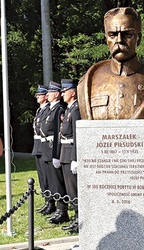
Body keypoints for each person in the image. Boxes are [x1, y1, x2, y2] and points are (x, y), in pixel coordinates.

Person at [77, 7, 144, 120]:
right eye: (113, 35)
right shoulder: (88, 82)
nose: (119, 40)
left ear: (138, 38)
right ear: (106, 38)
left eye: (127, 34)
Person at [40, 81, 69, 224]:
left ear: (56, 94)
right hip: (47, 148)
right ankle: (56, 208)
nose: (47, 95)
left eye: (50, 93)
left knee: (57, 182)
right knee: (51, 181)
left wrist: (56, 154)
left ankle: (62, 210)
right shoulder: (52, 109)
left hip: (54, 149)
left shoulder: (60, 109)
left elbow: (59, 133)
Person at [58, 79, 81, 234]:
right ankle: (75, 217)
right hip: (65, 153)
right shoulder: (68, 109)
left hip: (71, 152)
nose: (62, 94)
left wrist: (75, 158)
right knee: (70, 190)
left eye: (65, 91)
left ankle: (80, 219)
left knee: (75, 190)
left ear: (72, 92)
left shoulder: (76, 110)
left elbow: (77, 134)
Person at [31, 85, 53, 213]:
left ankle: (51, 202)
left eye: (40, 95)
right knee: (41, 177)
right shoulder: (40, 110)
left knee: (47, 176)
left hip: (44, 146)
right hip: (38, 146)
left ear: (45, 96)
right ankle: (46, 200)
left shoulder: (48, 110)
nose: (37, 97)